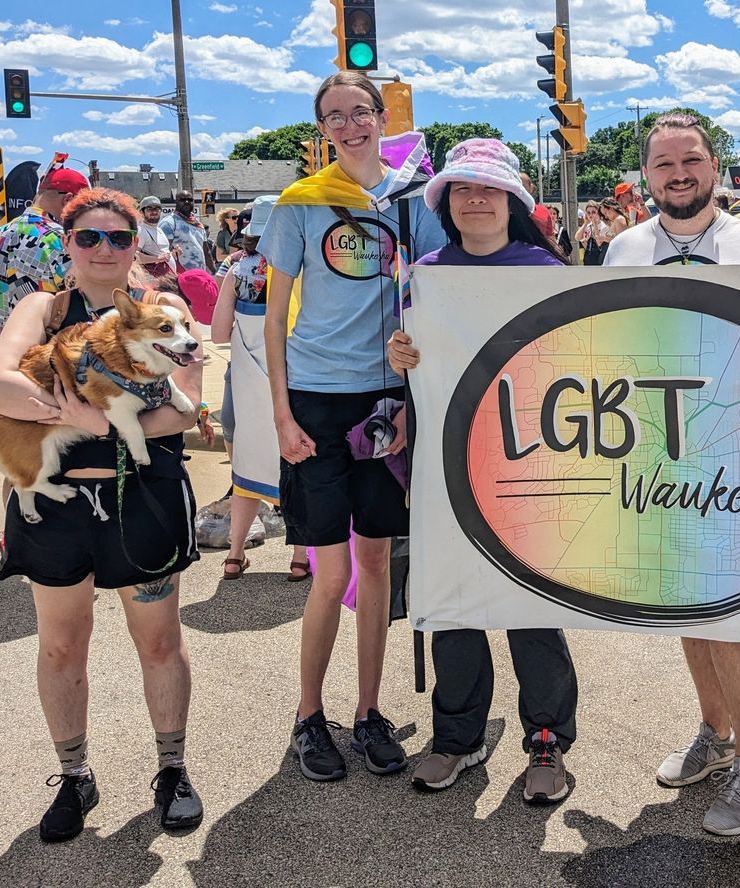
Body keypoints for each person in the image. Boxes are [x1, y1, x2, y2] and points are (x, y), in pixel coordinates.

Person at [0, 188, 206, 841]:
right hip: (60, 506)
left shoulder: (167, 310)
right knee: (60, 645)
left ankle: (171, 767)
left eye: (119, 237)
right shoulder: (42, 308)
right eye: (89, 238)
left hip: (144, 497)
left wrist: (79, 412)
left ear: (136, 243)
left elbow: (182, 409)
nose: (104, 250)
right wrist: (79, 416)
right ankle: (75, 776)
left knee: (159, 640)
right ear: (67, 239)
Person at [603, 112, 740, 837]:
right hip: (653, 456)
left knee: (730, 609)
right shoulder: (623, 249)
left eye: (691, 161)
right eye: (663, 164)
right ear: (645, 174)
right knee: (684, 602)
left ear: (714, 167)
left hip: (732, 457)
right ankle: (716, 735)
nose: (678, 174)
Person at [257, 71, 446, 783]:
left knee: (373, 567)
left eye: (359, 112)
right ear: (323, 130)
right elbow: (274, 320)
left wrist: (408, 397)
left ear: (379, 116)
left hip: (383, 405)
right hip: (312, 400)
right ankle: (310, 717)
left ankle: (368, 713)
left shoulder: (408, 206)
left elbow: (431, 295)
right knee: (329, 569)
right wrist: (279, 412)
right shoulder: (299, 204)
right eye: (334, 117)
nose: (349, 125)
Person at [384, 138, 578, 803]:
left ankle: (548, 740)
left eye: (488, 189)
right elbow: (417, 367)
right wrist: (402, 353)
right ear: (445, 203)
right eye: (462, 189)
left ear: (512, 201)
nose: (475, 199)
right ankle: (457, 738)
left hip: (530, 462)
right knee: (454, 603)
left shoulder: (547, 271)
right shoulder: (426, 274)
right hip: (448, 464)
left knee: (532, 607)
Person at [208, 195, 311, 582]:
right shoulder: (303, 270)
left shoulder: (238, 272)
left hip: (246, 383)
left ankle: (234, 556)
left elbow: (218, 333)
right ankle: (301, 558)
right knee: (298, 467)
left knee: (246, 469)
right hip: (296, 378)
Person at [0, 165, 89, 343]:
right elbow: (83, 301)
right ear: (68, 200)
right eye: (83, 207)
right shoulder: (61, 240)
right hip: (46, 358)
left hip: (3, 354)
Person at [159, 190, 215, 274]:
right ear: (176, 201)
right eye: (182, 200)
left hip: (199, 276)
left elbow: (205, 251)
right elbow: (161, 250)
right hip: (178, 275)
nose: (187, 202)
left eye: (190, 200)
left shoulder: (198, 224)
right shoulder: (168, 223)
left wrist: (214, 272)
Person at [136, 196, 177, 278]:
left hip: (166, 279)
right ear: (142, 212)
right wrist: (157, 258)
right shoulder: (141, 230)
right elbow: (134, 256)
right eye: (149, 209)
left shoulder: (159, 230)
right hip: (153, 280)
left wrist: (173, 254)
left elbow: (162, 254)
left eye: (157, 209)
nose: (154, 212)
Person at [575, 201, 609, 266]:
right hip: (588, 260)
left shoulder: (604, 226)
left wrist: (595, 224)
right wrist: (585, 223)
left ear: (598, 213)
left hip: (600, 260)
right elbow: (577, 238)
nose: (591, 215)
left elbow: (599, 242)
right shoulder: (588, 226)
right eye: (588, 213)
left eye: (593, 212)